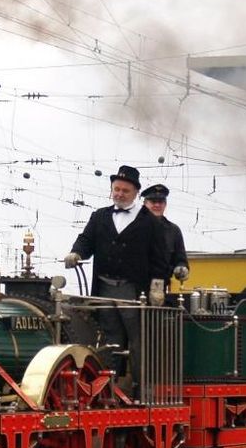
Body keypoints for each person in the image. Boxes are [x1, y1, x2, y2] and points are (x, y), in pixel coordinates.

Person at [64, 165, 168, 392]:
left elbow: (160, 258)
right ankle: (110, 387)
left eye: (125, 191)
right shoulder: (99, 216)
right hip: (104, 287)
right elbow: (85, 240)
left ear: (136, 193)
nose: (120, 194)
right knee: (110, 339)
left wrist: (157, 287)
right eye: (116, 189)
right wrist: (76, 253)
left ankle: (143, 388)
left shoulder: (150, 222)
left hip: (133, 290)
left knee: (138, 339)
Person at [140, 183, 190, 286]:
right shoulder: (135, 226)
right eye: (153, 201)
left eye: (161, 202)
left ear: (165, 204)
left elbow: (180, 259)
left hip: (161, 284)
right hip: (136, 284)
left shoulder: (173, 230)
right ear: (145, 203)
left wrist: (181, 268)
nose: (157, 205)